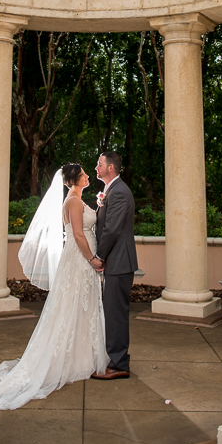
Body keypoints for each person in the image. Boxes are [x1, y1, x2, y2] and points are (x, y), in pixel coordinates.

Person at [0, 163, 107, 410]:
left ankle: (79, 358)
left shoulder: (75, 200)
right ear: (76, 179)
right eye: (85, 174)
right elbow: (78, 235)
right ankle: (71, 360)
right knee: (74, 305)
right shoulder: (74, 202)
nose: (89, 175)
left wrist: (99, 207)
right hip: (80, 259)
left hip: (78, 258)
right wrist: (92, 259)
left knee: (79, 305)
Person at [92, 151, 137, 380]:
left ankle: (119, 364)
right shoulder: (112, 190)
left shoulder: (119, 192)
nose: (96, 167)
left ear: (110, 168)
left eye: (99, 164)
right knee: (113, 313)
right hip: (116, 262)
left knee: (116, 314)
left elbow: (112, 229)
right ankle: (116, 360)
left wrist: (99, 256)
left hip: (119, 261)